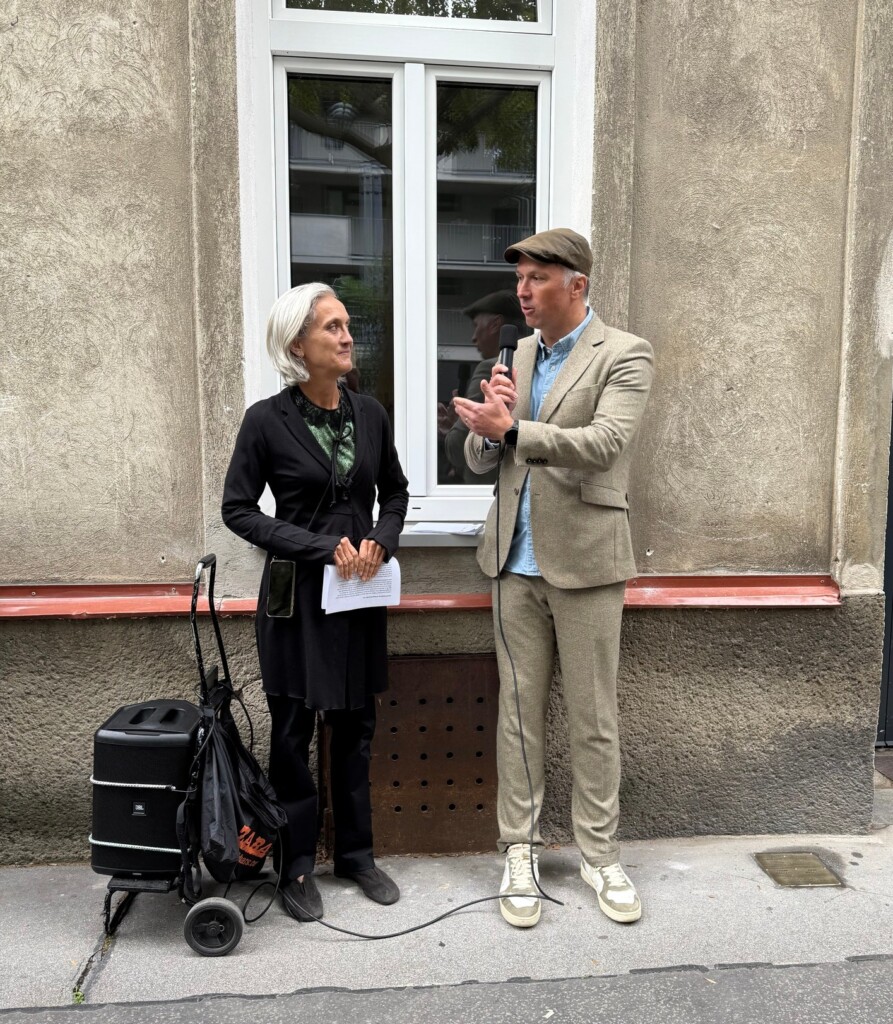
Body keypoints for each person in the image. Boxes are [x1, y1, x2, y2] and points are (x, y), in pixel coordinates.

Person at [453, 228, 653, 929]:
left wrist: (510, 430)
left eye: (536, 278)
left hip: (589, 565)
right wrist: (484, 428)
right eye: (518, 281)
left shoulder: (623, 354)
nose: (522, 292)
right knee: (516, 717)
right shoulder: (518, 353)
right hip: (512, 562)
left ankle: (599, 855)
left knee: (593, 719)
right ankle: (519, 850)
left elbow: (602, 446)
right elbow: (489, 461)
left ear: (576, 284)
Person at [221, 283, 409, 922]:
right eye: (332, 327)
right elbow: (238, 510)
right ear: (297, 344)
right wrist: (322, 547)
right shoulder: (265, 420)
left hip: (359, 593)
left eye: (347, 324)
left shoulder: (371, 414)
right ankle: (296, 863)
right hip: (296, 600)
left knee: (356, 728)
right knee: (293, 731)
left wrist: (379, 544)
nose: (347, 335)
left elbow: (397, 494)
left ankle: (356, 855)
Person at [439, 290, 527, 485]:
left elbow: (458, 451)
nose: (473, 338)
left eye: (476, 326)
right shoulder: (535, 365)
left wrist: (454, 430)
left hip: (483, 491)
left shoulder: (490, 369)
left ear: (496, 325)